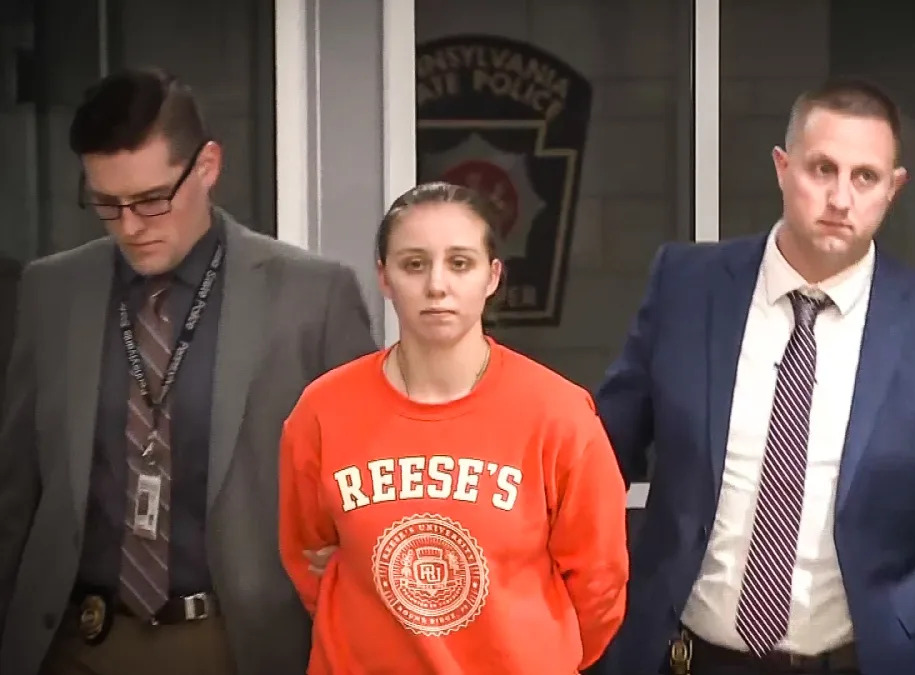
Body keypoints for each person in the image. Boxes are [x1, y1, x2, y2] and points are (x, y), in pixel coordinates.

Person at [590, 79, 915, 675]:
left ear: (893, 189)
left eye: (865, 177)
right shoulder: (687, 286)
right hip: (685, 657)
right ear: (783, 168)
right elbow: (598, 462)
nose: (840, 198)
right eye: (822, 169)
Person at [0, 68, 377, 675]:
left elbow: (367, 493)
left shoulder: (314, 295)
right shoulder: (51, 291)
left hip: (240, 644)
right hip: (74, 641)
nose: (130, 226)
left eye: (152, 200)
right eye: (107, 204)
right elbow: (15, 491)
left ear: (207, 166)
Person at [278, 181, 630, 675]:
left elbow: (599, 585)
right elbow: (308, 558)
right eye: (414, 264)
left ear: (492, 276)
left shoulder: (558, 414)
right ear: (384, 277)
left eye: (460, 263)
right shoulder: (323, 410)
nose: (437, 285)